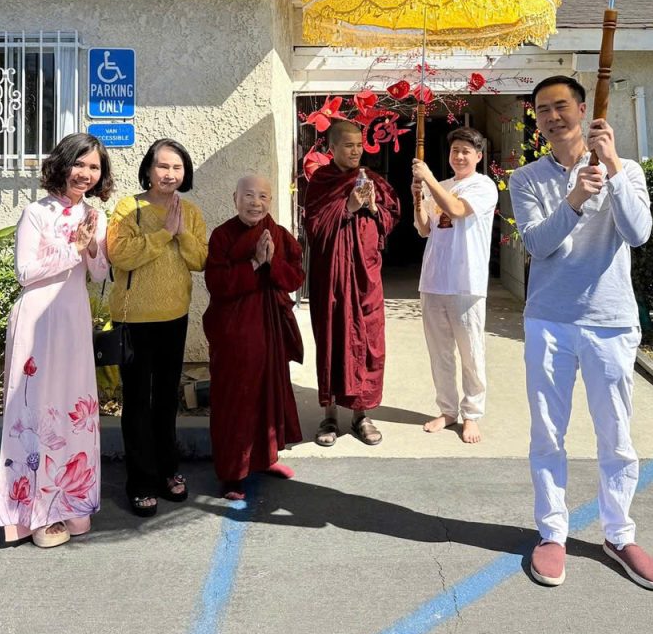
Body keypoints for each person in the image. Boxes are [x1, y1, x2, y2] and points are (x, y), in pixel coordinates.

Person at [508, 75, 653, 590]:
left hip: (610, 321)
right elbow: (539, 245)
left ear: (583, 110)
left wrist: (613, 167)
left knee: (616, 434)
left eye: (561, 106)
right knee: (547, 433)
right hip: (549, 319)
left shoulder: (627, 169)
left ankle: (619, 534)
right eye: (542, 110)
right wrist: (575, 198)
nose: (552, 117)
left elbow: (638, 233)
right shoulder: (526, 178)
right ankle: (552, 533)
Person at [0, 133, 113, 548]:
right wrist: (72, 248)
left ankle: (72, 502)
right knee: (38, 410)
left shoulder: (95, 215)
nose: (86, 173)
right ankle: (38, 514)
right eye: (79, 163)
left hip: (73, 320)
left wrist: (92, 247)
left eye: (94, 167)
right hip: (38, 321)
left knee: (74, 410)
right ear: (62, 164)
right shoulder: (35, 213)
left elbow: (99, 273)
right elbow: (25, 272)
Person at [107, 139, 208, 517]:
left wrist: (181, 233)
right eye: (162, 166)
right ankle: (140, 481)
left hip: (174, 316)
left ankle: (168, 470)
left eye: (177, 167)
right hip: (134, 319)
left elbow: (200, 259)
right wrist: (165, 233)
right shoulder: (128, 208)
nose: (169, 174)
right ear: (148, 170)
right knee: (137, 401)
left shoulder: (190, 212)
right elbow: (120, 255)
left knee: (166, 398)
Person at [203, 174, 305, 500]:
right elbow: (216, 283)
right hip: (234, 332)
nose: (256, 203)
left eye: (263, 196)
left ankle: (265, 459)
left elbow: (295, 278)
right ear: (235, 198)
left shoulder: (280, 235)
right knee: (235, 400)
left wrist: (272, 262)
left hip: (269, 331)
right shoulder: (222, 235)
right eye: (248, 195)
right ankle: (232, 474)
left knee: (266, 396)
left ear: (270, 201)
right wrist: (254, 263)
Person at [304, 120, 400, 447]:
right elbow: (314, 225)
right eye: (348, 145)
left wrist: (372, 206)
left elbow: (391, 216)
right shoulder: (322, 181)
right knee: (333, 339)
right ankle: (330, 415)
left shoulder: (372, 180)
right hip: (332, 278)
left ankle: (361, 415)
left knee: (369, 342)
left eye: (359, 144)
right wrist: (348, 206)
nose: (356, 150)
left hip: (365, 277)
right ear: (332, 148)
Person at [411, 127, 498, 443]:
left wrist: (429, 179)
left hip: (466, 282)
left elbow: (457, 210)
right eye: (454, 150)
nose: (459, 156)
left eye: (466, 151)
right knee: (440, 353)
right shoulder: (441, 185)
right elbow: (424, 229)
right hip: (434, 280)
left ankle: (471, 414)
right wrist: (417, 197)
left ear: (478, 156)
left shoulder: (483, 185)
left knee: (471, 352)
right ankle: (447, 410)